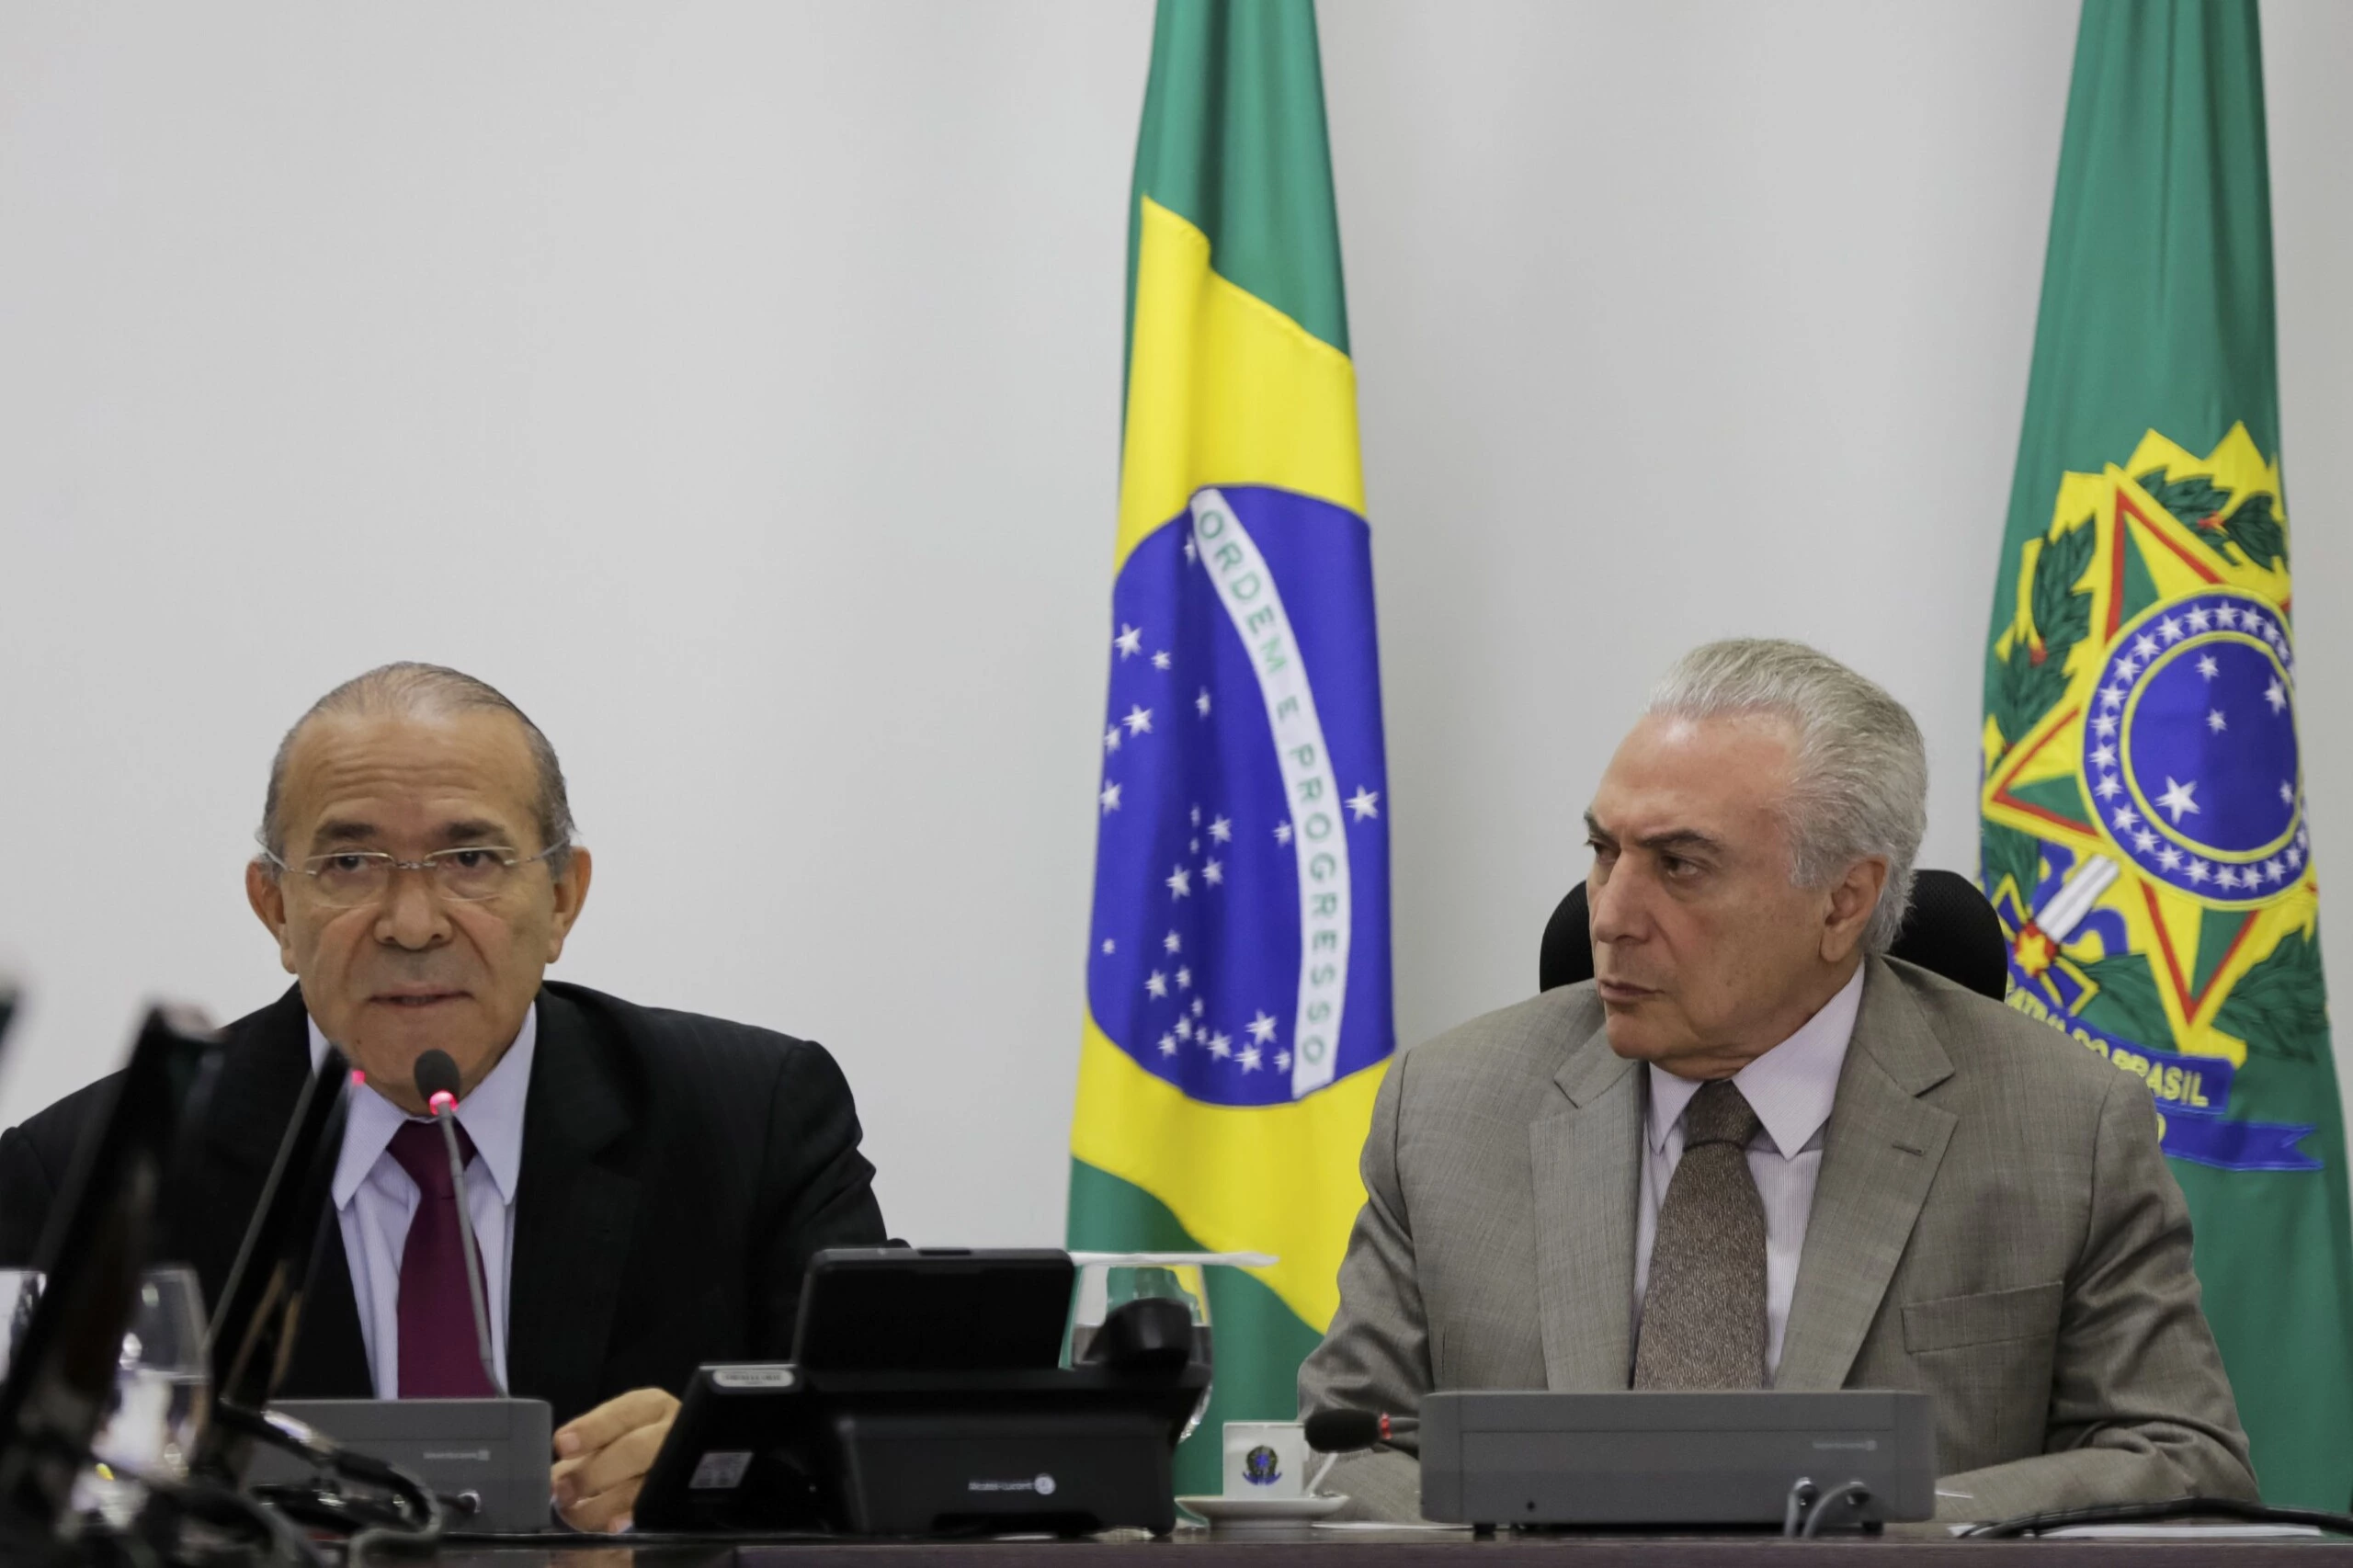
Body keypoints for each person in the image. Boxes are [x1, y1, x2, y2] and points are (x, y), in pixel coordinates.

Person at [1299, 638, 2256, 1523]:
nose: (1612, 916)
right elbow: (1333, 1451)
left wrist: (1878, 1513)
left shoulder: (2064, 1124)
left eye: (1678, 863)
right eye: (1602, 852)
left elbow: (2181, 1456)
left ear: (1844, 899)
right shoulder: (1448, 1108)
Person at [0, 663, 887, 1532]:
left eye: (470, 858)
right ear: (274, 907)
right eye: (350, 862)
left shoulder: (754, 1119)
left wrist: (713, 1472)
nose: (412, 923)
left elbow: (879, 1447)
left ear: (562, 898)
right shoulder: (87, 1178)